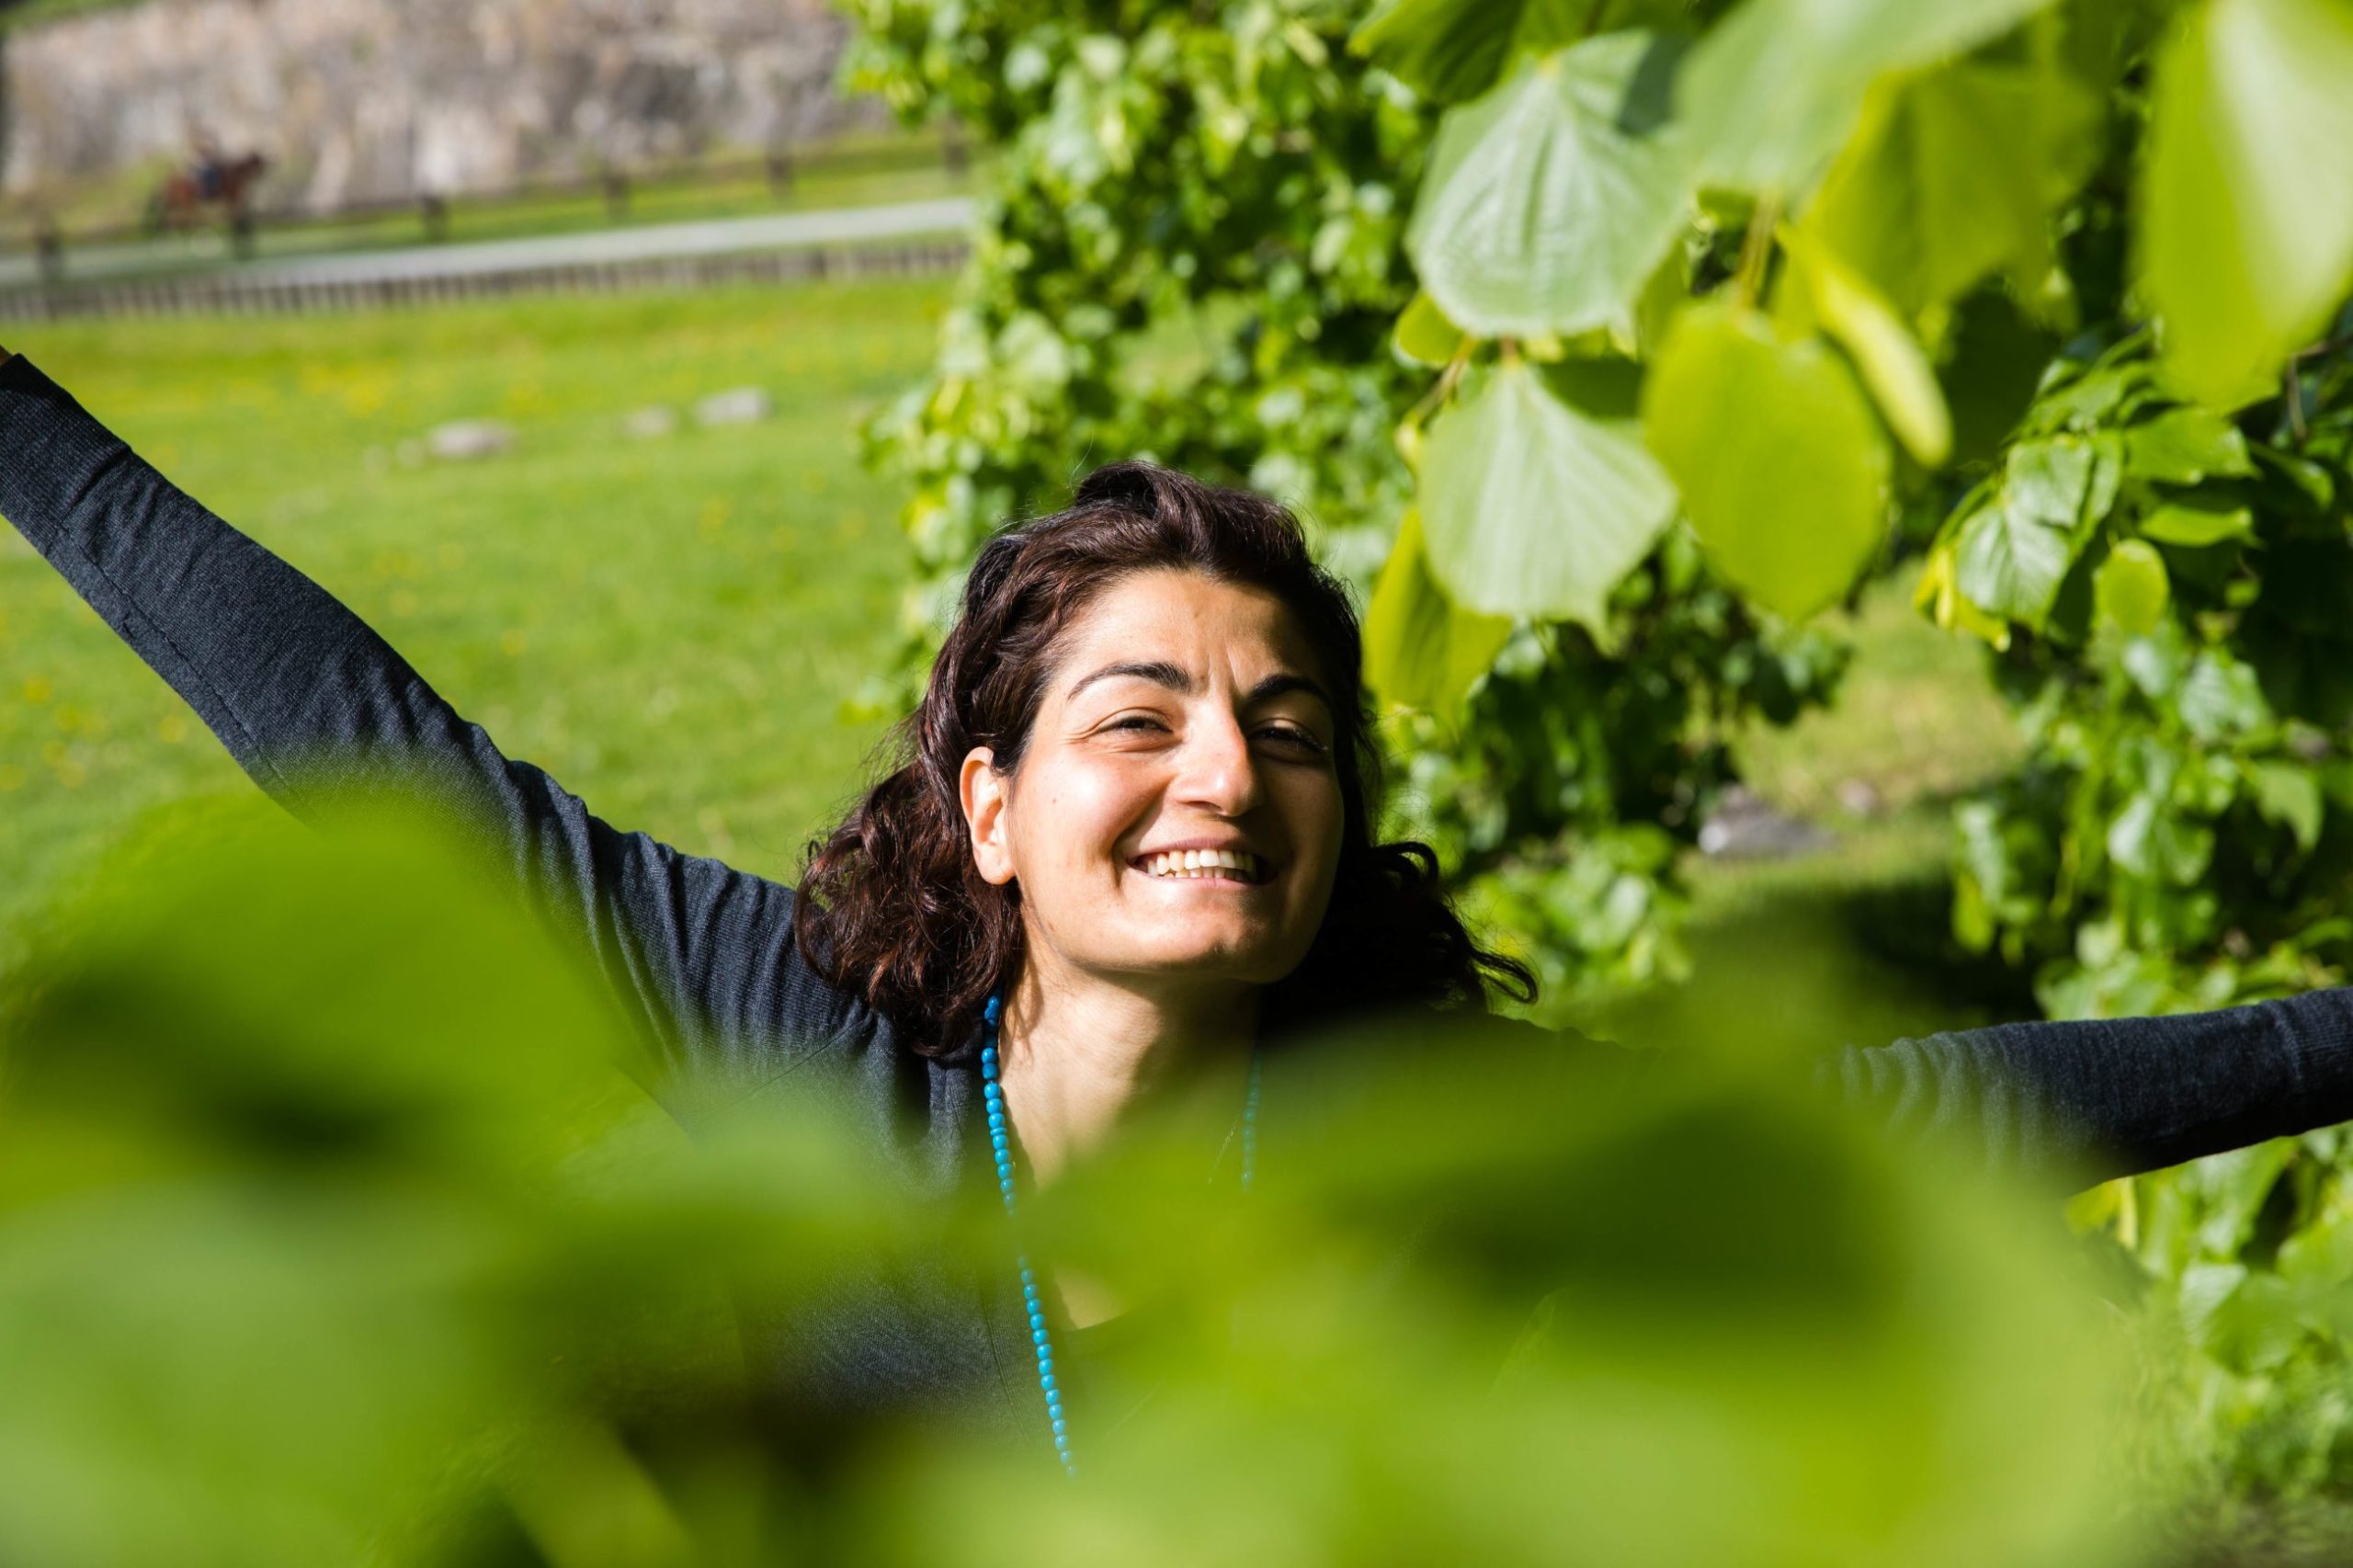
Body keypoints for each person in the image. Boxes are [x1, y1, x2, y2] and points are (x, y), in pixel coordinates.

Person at [4, 347, 2352, 1473]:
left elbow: (1900, 1110)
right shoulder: (796, 1029)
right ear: (990, 802)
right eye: (1143, 714)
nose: (1229, 767)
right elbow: (357, 735)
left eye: (1290, 723)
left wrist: (2311, 1041)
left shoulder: (1410, 1124)